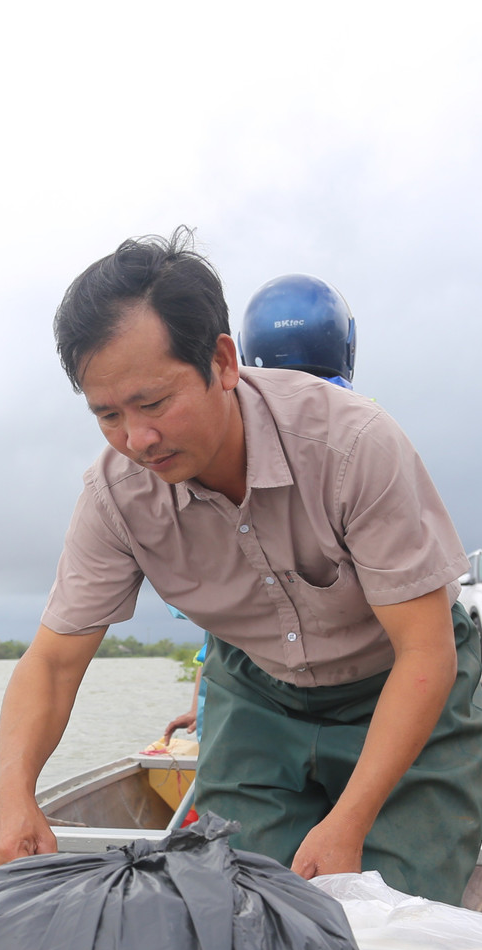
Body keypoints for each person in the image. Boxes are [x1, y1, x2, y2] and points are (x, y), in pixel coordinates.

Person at [0, 231, 482, 904]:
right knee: (234, 909)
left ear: (223, 361)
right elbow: (51, 663)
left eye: (155, 402)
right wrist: (12, 790)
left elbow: (425, 651)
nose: (137, 439)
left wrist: (348, 823)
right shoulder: (115, 496)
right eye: (107, 414)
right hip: (257, 693)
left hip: (398, 681)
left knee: (388, 921)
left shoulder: (353, 444)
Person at [162, 272, 359, 743]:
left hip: (267, 711)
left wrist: (203, 711)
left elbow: (219, 626)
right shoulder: (363, 431)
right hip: (302, 705)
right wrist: (202, 711)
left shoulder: (218, 456)